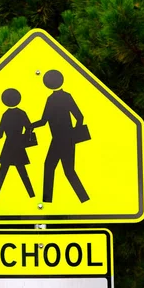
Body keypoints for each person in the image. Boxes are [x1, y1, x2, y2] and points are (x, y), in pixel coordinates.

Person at [32, 69, 89, 203]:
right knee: (63, 170)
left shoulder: (53, 99)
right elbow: (79, 117)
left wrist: (30, 125)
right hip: (64, 140)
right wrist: (73, 134)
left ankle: (49, 201)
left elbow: (44, 121)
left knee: (55, 168)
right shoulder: (63, 97)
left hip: (60, 140)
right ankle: (82, 199)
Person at [0, 88, 36, 199]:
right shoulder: (22, 113)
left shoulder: (6, 115)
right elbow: (29, 128)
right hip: (18, 146)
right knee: (23, 173)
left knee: (3, 172)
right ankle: (32, 195)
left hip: (8, 146)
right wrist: (24, 138)